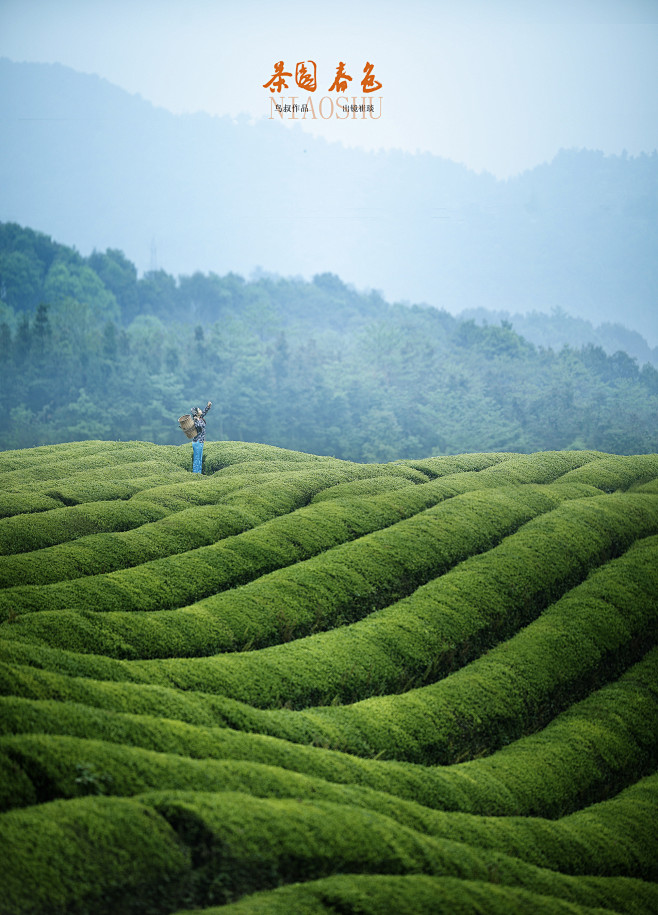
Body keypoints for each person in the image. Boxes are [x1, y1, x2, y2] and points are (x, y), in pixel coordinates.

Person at [191, 401, 212, 473]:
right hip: (197, 442)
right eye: (199, 410)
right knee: (197, 460)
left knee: (199, 459)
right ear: (196, 413)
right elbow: (199, 426)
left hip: (200, 442)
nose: (201, 411)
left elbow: (204, 413)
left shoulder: (200, 418)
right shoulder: (196, 421)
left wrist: (208, 407)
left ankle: (198, 474)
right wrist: (196, 418)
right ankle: (195, 474)